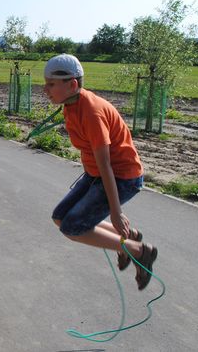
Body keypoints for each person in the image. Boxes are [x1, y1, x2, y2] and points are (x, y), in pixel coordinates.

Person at [42, 53, 158, 290]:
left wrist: (116, 212)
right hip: (97, 175)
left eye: (51, 84)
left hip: (121, 178)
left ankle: (139, 250)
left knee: (73, 227)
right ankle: (130, 237)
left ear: (72, 84)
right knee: (60, 217)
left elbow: (106, 164)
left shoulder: (92, 112)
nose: (46, 89)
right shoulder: (71, 104)